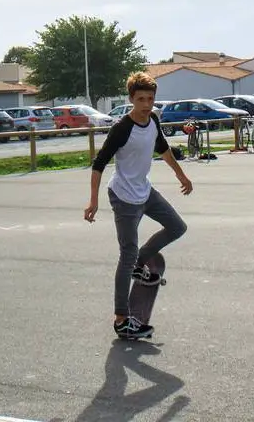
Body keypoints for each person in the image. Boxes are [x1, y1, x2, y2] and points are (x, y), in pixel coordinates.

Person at [84, 71, 193, 340]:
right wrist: (94, 201)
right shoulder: (122, 128)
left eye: (151, 99)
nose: (147, 104)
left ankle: (140, 261)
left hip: (145, 191)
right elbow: (99, 164)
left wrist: (181, 175)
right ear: (131, 99)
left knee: (177, 227)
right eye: (141, 99)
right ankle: (122, 320)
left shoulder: (153, 120)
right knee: (126, 254)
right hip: (123, 197)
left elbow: (163, 149)